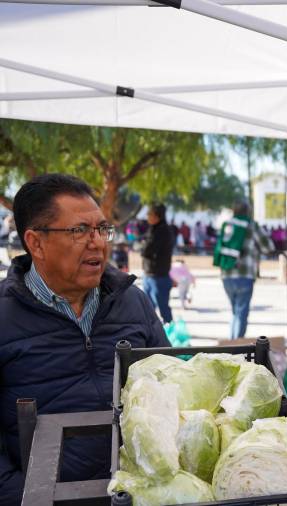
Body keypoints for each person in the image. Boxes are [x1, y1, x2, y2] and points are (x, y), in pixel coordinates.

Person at [0, 174, 169, 504]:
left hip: (137, 493)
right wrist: (24, 495)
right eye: (79, 231)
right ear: (36, 243)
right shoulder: (4, 318)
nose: (98, 243)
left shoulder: (133, 302)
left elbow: (173, 388)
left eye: (102, 229)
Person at [213, 200, 274, 339]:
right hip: (244, 275)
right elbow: (268, 247)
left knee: (235, 311)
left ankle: (232, 343)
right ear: (248, 211)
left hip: (226, 274)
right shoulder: (251, 225)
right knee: (241, 313)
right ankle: (236, 347)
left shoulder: (227, 225)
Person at [140, 203, 175, 324]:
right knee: (147, 310)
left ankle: (170, 334)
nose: (148, 217)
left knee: (163, 309)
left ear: (158, 216)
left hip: (159, 277)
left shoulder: (163, 231)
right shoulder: (153, 230)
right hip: (149, 275)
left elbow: (147, 250)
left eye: (150, 214)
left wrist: (144, 247)